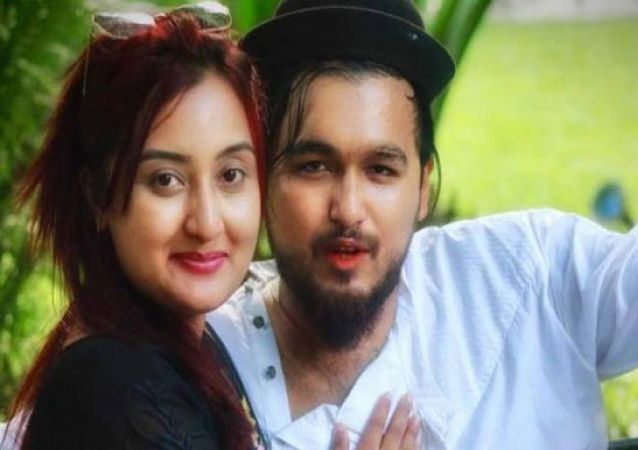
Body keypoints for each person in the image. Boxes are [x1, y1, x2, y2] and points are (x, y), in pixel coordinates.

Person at [207, 0, 638, 449]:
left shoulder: (526, 273)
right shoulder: (205, 368)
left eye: (381, 170)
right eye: (314, 166)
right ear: (263, 180)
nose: (349, 209)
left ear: (424, 187)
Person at [2, 3, 418, 450]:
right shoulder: (117, 392)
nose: (206, 222)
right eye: (166, 180)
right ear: (97, 197)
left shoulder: (188, 360)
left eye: (230, 175)